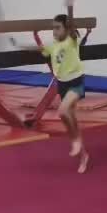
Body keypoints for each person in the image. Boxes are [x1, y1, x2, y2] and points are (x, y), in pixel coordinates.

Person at [41, 12, 90, 172]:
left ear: (66, 28)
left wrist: (70, 7)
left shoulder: (71, 40)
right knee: (71, 118)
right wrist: (32, 38)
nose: (54, 31)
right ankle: (83, 155)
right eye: (53, 28)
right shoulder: (52, 45)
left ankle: (75, 140)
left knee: (62, 112)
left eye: (58, 28)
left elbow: (71, 26)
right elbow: (42, 50)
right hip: (62, 84)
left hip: (76, 82)